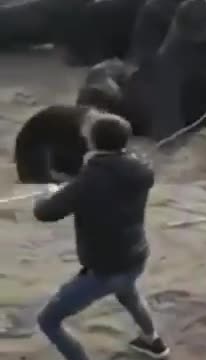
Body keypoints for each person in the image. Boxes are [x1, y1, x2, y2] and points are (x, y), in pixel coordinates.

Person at [33, 111, 170, 360]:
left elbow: (45, 213)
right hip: (135, 256)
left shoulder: (88, 179)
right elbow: (107, 180)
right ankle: (153, 342)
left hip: (106, 268)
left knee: (48, 321)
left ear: (93, 140)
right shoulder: (140, 168)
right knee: (129, 294)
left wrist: (46, 194)